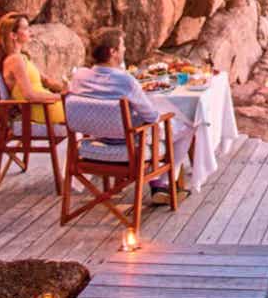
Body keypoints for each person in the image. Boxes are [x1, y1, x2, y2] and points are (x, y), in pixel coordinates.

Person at [70, 27, 195, 201]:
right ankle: (163, 183)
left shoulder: (79, 76)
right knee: (189, 125)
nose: (124, 50)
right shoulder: (125, 80)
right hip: (130, 145)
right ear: (113, 52)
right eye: (122, 46)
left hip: (93, 142)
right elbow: (151, 116)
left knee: (152, 128)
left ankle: (157, 184)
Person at [0, 13, 66, 126]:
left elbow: (46, 80)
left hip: (46, 106)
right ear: (13, 35)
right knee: (87, 111)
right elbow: (29, 95)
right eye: (26, 28)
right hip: (42, 110)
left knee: (86, 107)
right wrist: (61, 97)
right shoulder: (15, 60)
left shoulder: (22, 57)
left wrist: (67, 89)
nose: (30, 32)